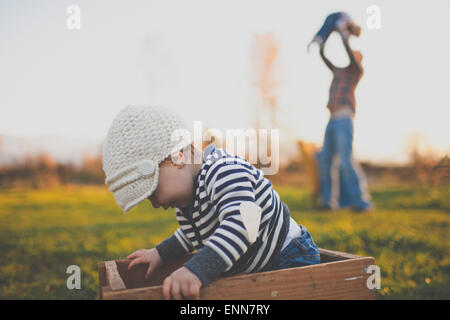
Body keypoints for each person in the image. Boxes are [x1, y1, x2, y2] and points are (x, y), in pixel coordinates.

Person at [102, 105, 320, 300]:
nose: (155, 203)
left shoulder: (222, 170)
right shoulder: (187, 202)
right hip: (259, 268)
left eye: (152, 191)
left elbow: (243, 225)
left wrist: (196, 269)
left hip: (289, 258)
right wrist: (160, 253)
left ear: (178, 157)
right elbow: (190, 235)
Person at [315, 27, 372, 212]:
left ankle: (360, 202)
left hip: (344, 120)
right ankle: (328, 203)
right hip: (331, 120)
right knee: (326, 161)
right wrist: (320, 45)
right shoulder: (338, 72)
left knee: (345, 160)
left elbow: (348, 51)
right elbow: (325, 59)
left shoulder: (356, 71)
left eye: (354, 55)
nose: (351, 56)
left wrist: (342, 36)